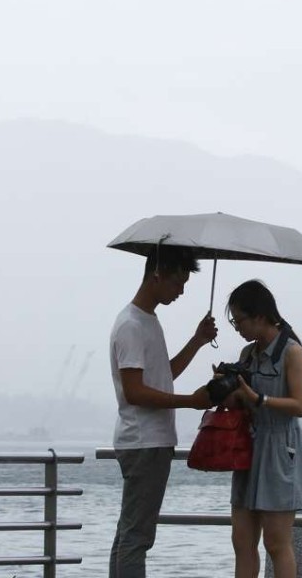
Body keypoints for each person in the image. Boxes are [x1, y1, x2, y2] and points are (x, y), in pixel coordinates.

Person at [109, 245, 218, 578]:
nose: (181, 291)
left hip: (147, 441)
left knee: (129, 533)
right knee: (137, 537)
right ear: (157, 274)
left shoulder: (146, 321)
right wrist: (192, 401)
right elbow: (136, 392)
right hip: (145, 442)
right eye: (178, 282)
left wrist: (198, 341)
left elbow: (162, 375)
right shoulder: (131, 325)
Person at [224, 279, 302, 578]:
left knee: (276, 544)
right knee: (241, 541)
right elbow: (242, 402)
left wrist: (258, 399)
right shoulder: (248, 354)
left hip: (279, 449)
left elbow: (299, 405)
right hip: (247, 448)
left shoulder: (292, 352)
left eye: (240, 320)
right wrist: (227, 390)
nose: (238, 327)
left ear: (260, 316)